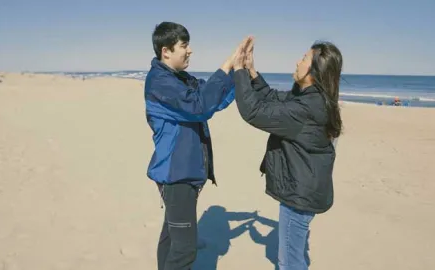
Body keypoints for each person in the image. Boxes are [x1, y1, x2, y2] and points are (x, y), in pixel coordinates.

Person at [232, 37, 343, 270]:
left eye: (304, 59)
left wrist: (238, 70)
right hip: (306, 190)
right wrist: (251, 71)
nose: (297, 62)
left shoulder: (306, 108)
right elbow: (273, 99)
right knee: (295, 258)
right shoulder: (312, 98)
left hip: (299, 196)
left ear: (315, 71)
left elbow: (253, 111)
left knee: (289, 264)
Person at [144, 22, 242, 270]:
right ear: (166, 51)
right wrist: (227, 65)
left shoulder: (180, 79)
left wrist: (237, 73)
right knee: (184, 249)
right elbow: (199, 107)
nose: (190, 51)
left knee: (172, 237)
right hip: (176, 174)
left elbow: (212, 99)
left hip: (184, 172)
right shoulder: (160, 83)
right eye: (184, 45)